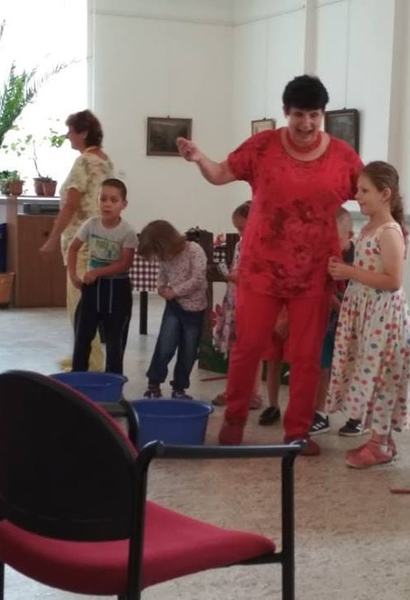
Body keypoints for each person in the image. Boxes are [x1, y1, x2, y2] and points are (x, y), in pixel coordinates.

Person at [176, 74, 362, 455]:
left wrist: (392, 226)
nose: (306, 124)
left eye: (314, 115)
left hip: (314, 273)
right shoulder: (263, 147)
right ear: (285, 112)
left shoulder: (343, 157)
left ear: (323, 115)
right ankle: (234, 421)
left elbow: (372, 193)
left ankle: (298, 433)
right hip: (262, 269)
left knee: (306, 356)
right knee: (248, 347)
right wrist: (199, 159)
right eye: (298, 115)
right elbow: (220, 173)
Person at [326, 161, 410, 469]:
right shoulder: (368, 229)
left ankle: (380, 445)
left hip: (383, 317)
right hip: (368, 315)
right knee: (369, 373)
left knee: (382, 377)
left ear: (385, 194)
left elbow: (393, 281)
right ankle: (381, 439)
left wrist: (350, 272)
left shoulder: (389, 232)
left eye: (364, 191)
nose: (357, 196)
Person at [40, 109, 114, 372]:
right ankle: (83, 356)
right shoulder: (105, 161)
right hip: (101, 242)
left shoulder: (84, 162)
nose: (67, 136)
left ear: (83, 133)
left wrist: (52, 239)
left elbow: (70, 205)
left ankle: (90, 365)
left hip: (81, 246)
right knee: (88, 306)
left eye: (71, 131)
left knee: (81, 308)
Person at [309, 207, 369, 437]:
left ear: (349, 235)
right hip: (329, 322)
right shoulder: (321, 256)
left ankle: (358, 417)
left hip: (354, 324)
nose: (328, 244)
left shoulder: (360, 258)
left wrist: (338, 303)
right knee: (323, 365)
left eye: (333, 238)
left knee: (356, 367)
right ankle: (321, 413)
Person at [68, 178, 137, 374]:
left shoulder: (128, 232)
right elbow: (73, 248)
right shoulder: (91, 224)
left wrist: (97, 272)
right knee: (82, 335)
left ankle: (113, 382)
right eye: (103, 199)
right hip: (93, 288)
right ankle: (78, 378)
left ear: (124, 204)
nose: (107, 204)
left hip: (118, 290)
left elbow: (125, 264)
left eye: (114, 200)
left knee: (115, 341)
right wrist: (73, 275)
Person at [138, 220, 208, 399]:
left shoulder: (194, 250)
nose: (159, 256)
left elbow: (198, 278)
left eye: (158, 251)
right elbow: (162, 274)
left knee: (188, 351)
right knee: (165, 345)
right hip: (174, 308)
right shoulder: (165, 256)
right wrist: (161, 287)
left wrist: (175, 291)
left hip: (195, 310)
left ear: (166, 242)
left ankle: (179, 388)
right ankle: (154, 384)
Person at [212, 201, 262, 411]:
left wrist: (240, 278)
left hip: (253, 302)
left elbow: (260, 276)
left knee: (251, 350)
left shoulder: (263, 244)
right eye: (238, 229)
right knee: (236, 349)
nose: (240, 233)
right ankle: (234, 390)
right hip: (235, 300)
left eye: (243, 228)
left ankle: (253, 394)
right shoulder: (241, 244)